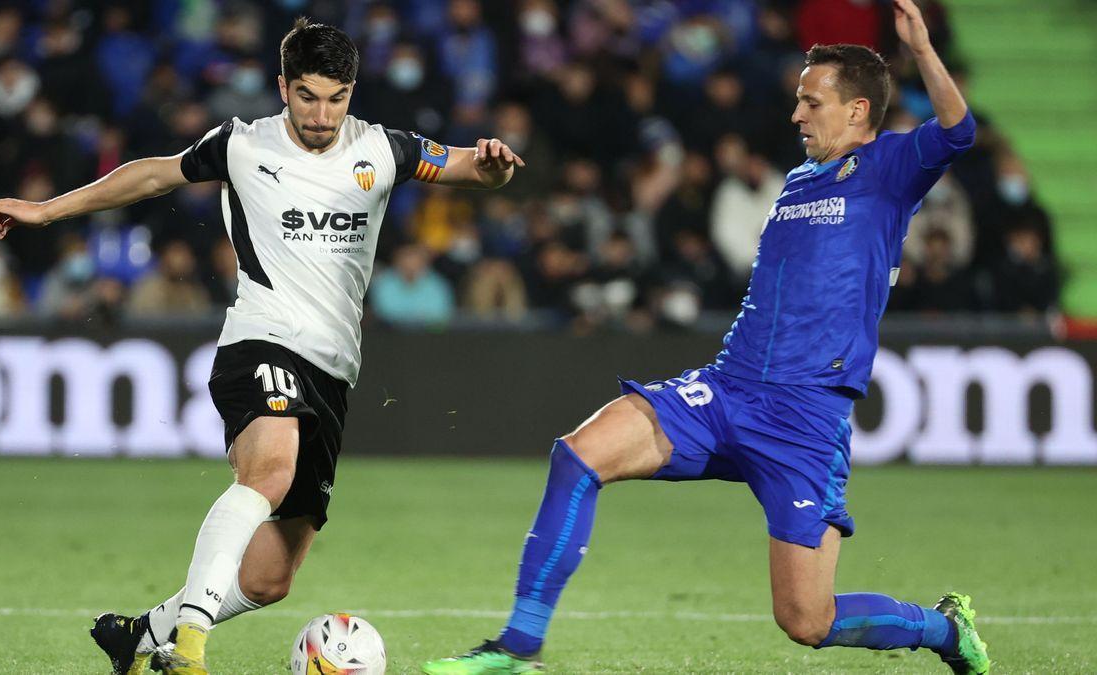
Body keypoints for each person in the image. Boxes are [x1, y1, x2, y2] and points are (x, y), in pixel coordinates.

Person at [423, 2, 988, 674]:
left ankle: (942, 629)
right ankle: (519, 645)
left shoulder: (891, 170)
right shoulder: (801, 179)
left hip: (804, 417)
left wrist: (922, 48)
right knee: (578, 456)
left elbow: (958, 133)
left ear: (859, 111)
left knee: (807, 619)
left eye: (811, 102)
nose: (796, 115)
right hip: (727, 388)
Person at [0, 18, 523, 675]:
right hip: (260, 338)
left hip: (333, 370)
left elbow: (468, 165)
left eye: (337, 97)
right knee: (268, 472)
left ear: (353, 90)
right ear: (281, 87)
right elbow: (153, 175)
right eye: (306, 96)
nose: (322, 115)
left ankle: (140, 634)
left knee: (272, 576)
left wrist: (493, 169)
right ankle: (188, 649)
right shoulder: (241, 144)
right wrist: (46, 210)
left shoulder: (386, 148)